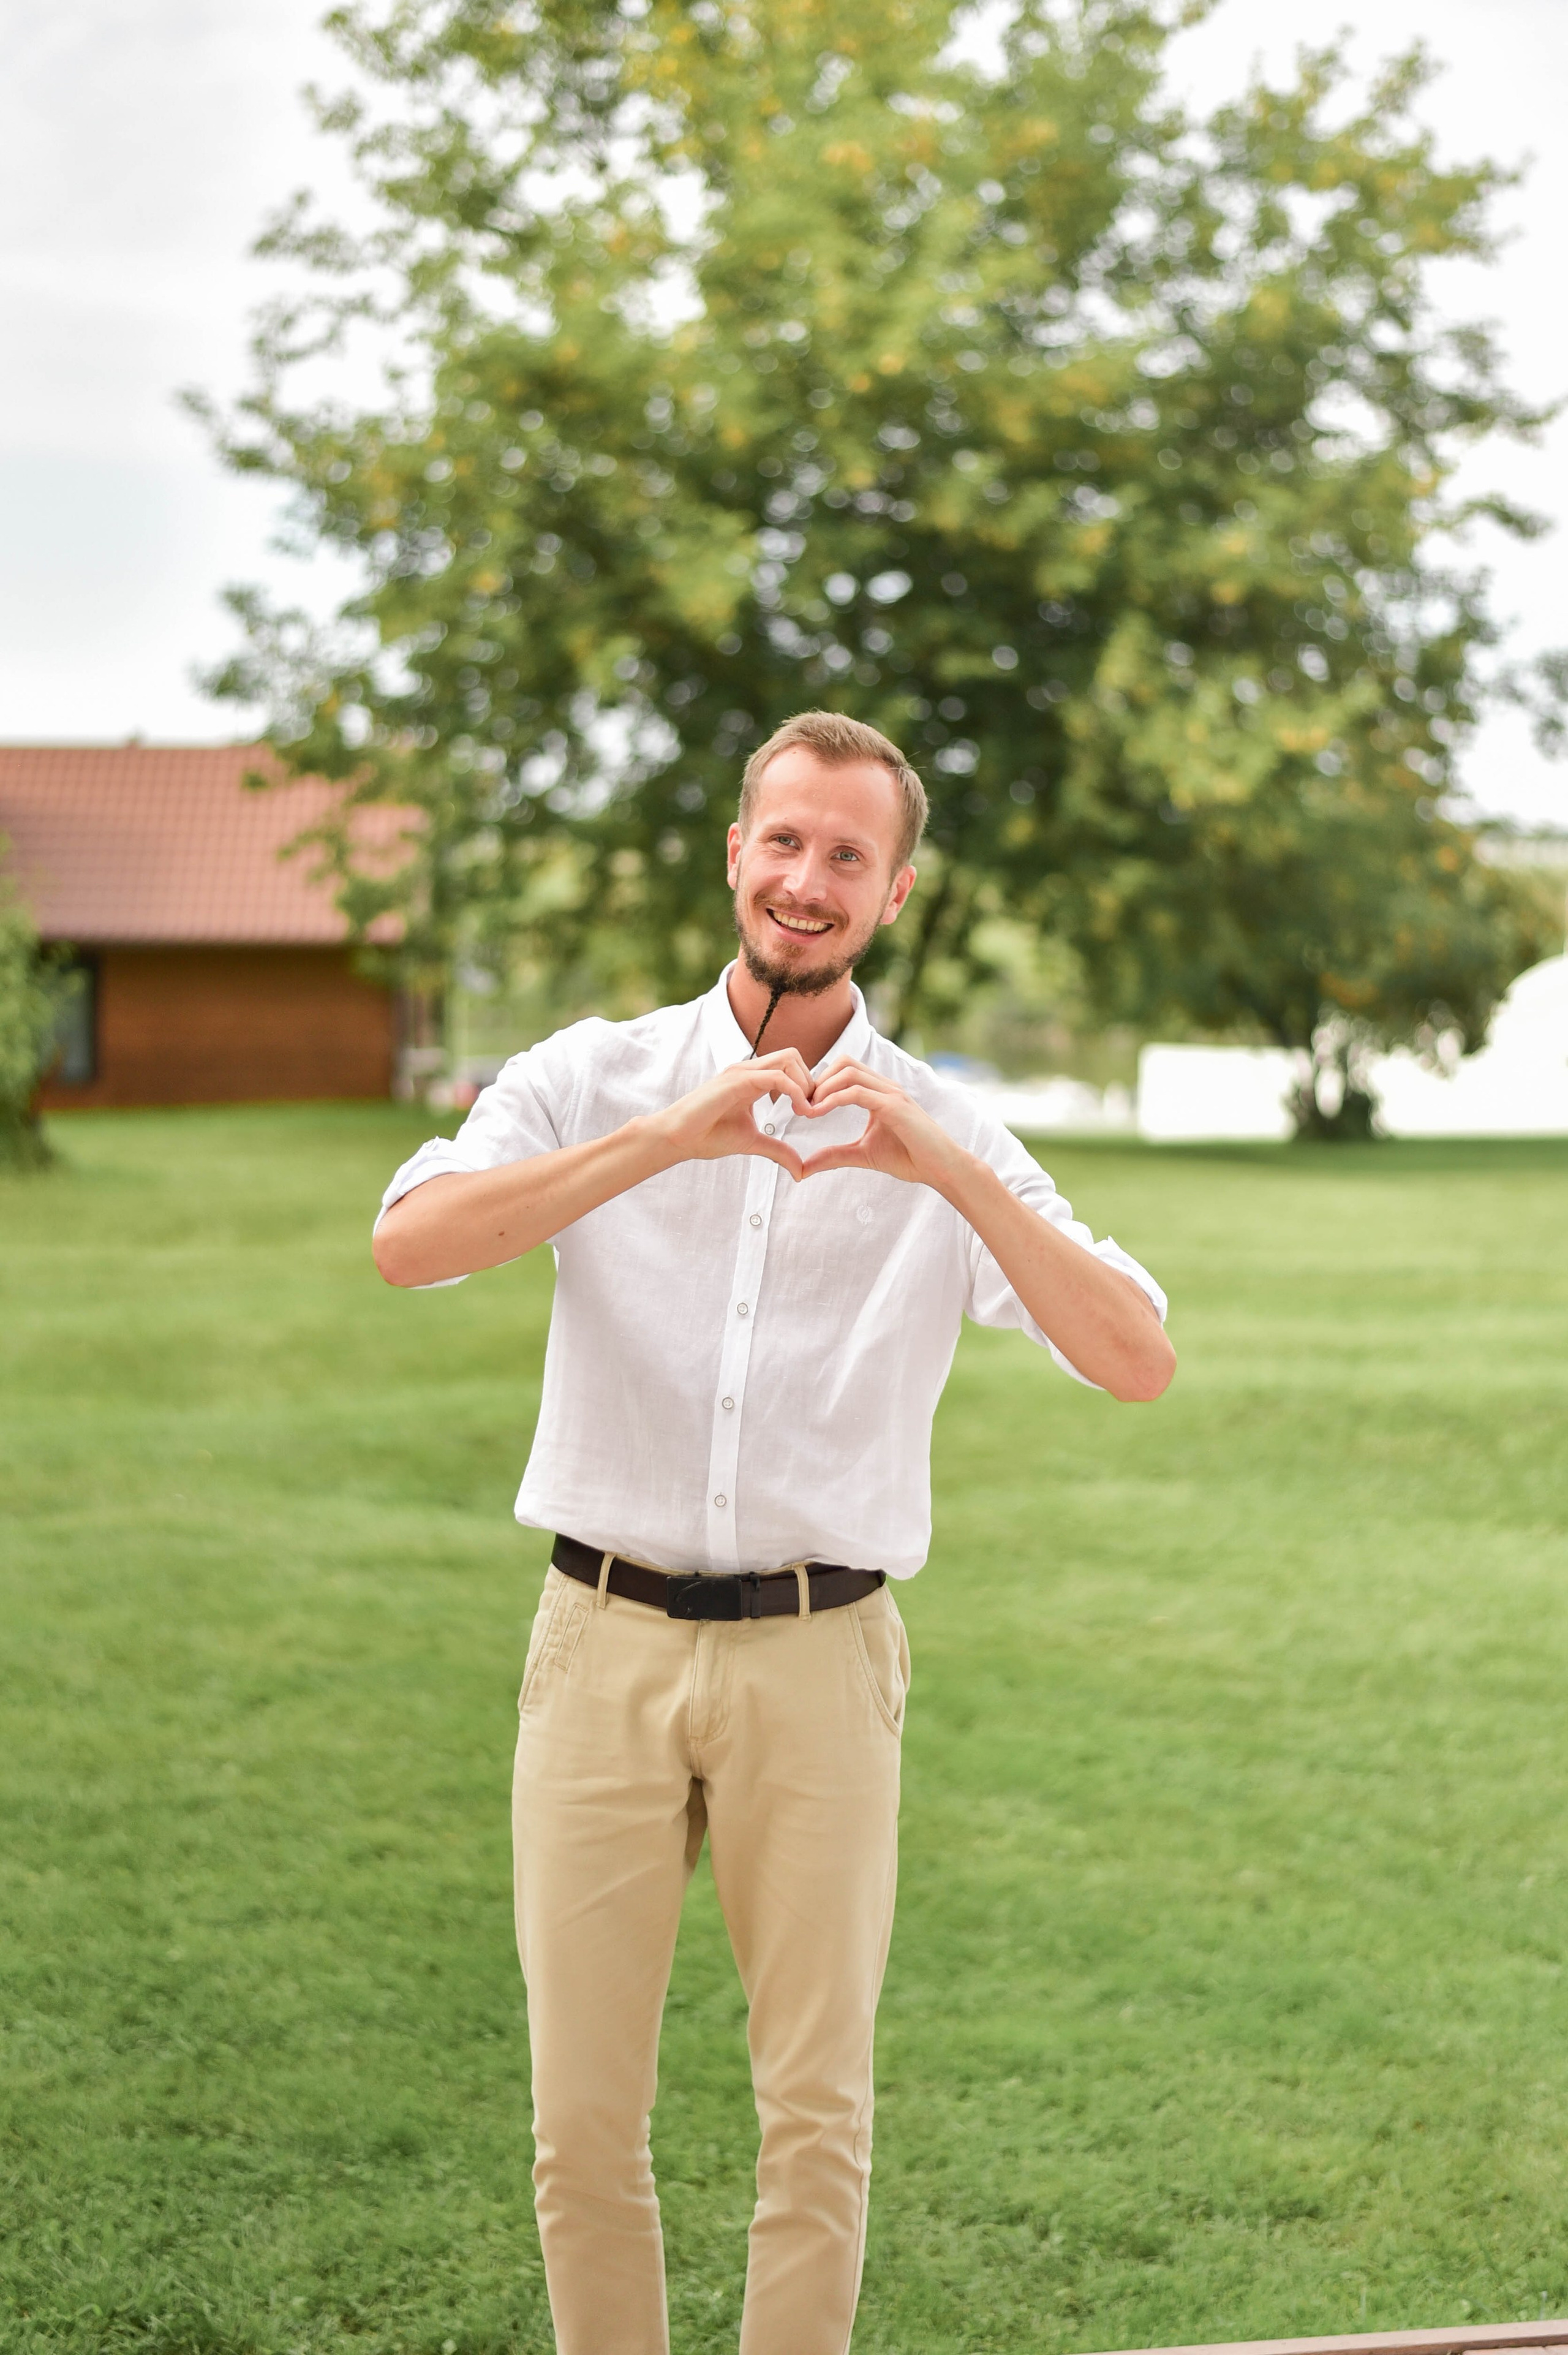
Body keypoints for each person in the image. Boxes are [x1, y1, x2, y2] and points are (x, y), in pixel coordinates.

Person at [372, 709, 1175, 2355]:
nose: (809, 881)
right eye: (786, 840)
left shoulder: (944, 1133)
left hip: (823, 1656)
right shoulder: (589, 1077)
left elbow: (1136, 1353)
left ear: (893, 895)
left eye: (849, 857)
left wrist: (946, 1170)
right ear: (738, 852)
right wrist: (672, 1138)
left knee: (816, 2116)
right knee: (580, 2123)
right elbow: (412, 1242)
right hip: (597, 1646)